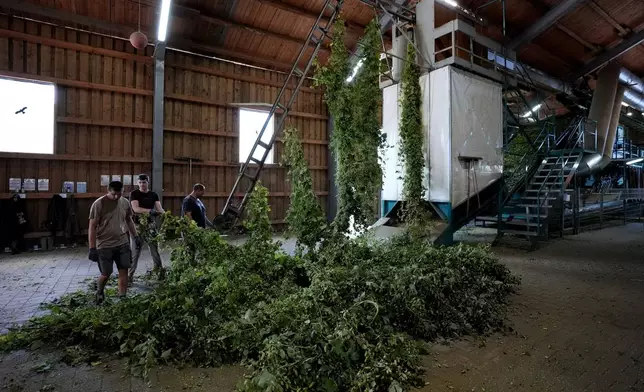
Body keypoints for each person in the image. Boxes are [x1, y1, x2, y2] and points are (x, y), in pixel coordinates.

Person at [88, 181, 140, 304]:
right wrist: (92, 248)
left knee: (124, 270)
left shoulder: (125, 203)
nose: (116, 197)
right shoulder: (99, 204)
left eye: (119, 194)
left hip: (122, 242)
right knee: (106, 273)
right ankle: (100, 291)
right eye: (114, 194)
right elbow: (92, 226)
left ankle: (122, 298)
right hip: (105, 244)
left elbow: (129, 220)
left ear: (123, 191)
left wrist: (135, 236)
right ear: (108, 190)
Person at [128, 174, 165, 283]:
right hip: (138, 227)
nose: (142, 184)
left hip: (151, 226)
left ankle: (159, 272)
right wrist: (150, 211)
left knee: (155, 250)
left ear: (148, 183)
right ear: (137, 183)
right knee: (135, 251)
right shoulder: (134, 194)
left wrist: (164, 214)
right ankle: (130, 275)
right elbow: (135, 209)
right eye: (140, 182)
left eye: (144, 182)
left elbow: (159, 208)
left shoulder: (153, 195)